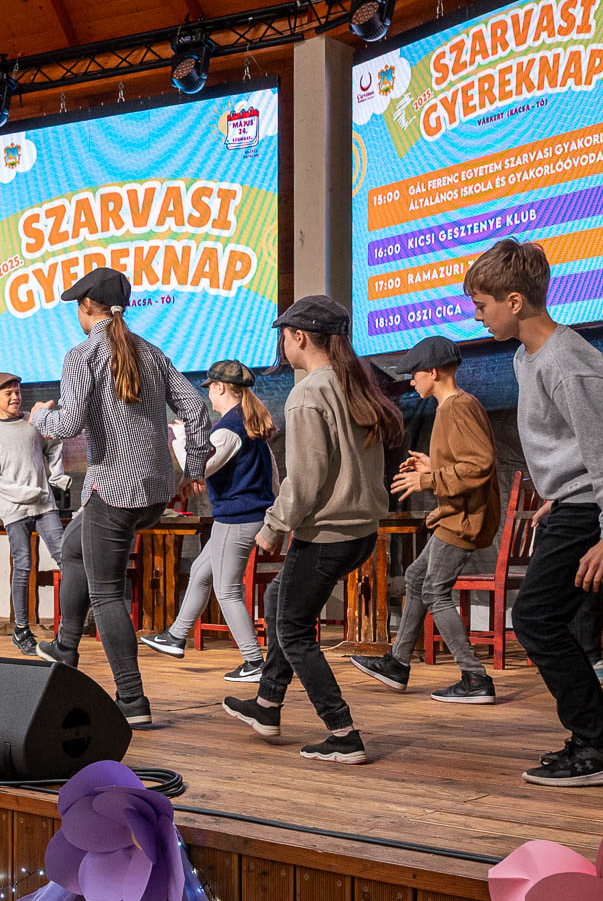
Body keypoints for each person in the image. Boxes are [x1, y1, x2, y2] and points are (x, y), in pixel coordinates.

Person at [465, 239, 603, 786]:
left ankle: (601, 744)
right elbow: (572, 442)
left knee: (536, 620)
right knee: (544, 619)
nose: (477, 317)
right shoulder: (527, 357)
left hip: (597, 505)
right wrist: (558, 492)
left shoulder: (569, 360)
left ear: (514, 301)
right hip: (576, 499)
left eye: (482, 306)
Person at [222, 295, 404, 765]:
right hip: (360, 532)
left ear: (299, 337)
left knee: (294, 630)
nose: (283, 345)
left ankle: (342, 732)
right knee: (280, 601)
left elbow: (305, 479)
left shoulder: (308, 394)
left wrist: (274, 526)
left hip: (326, 534)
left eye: (284, 336)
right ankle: (267, 704)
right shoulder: (355, 384)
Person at [30, 267, 211, 728]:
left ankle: (132, 699)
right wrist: (193, 470)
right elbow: (195, 407)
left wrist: (39, 419)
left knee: (107, 593)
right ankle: (65, 646)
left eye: (77, 305)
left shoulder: (83, 355)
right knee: (73, 548)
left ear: (86, 307)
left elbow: (68, 424)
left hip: (113, 491)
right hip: (153, 492)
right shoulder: (151, 352)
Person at [351, 336, 501, 703]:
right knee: (418, 577)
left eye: (415, 374)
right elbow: (466, 461)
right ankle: (397, 663)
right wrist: (433, 466)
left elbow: (479, 465)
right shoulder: (453, 408)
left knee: (434, 590)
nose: (412, 381)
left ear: (433, 372)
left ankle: (474, 676)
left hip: (462, 518)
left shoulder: (458, 407)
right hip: (454, 515)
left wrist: (428, 480)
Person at [139, 360, 279, 683]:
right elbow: (272, 477)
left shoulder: (230, 428)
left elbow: (198, 464)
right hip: (246, 517)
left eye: (211, 390)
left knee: (227, 591)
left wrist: (178, 436)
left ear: (220, 388)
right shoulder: (248, 423)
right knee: (201, 573)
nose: (209, 397)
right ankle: (176, 636)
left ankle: (254, 661)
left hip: (236, 520)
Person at [0, 371, 71, 656]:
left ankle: (69, 625)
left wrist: (57, 477)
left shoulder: (33, 421)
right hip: (16, 509)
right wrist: (21, 493)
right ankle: (21, 629)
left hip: (44, 504)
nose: (15, 397)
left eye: (17, 392)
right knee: (24, 565)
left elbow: (54, 445)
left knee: (66, 558)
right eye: (8, 393)